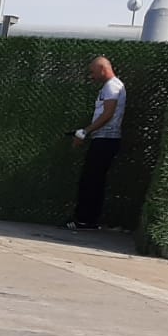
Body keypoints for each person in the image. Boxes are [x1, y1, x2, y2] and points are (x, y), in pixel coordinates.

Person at [67, 56, 126, 231]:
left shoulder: (111, 87)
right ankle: (88, 220)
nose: (91, 76)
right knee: (94, 180)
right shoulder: (113, 86)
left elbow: (108, 114)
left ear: (102, 69)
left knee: (91, 181)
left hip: (105, 140)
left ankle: (84, 220)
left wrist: (85, 132)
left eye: (93, 72)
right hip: (105, 139)